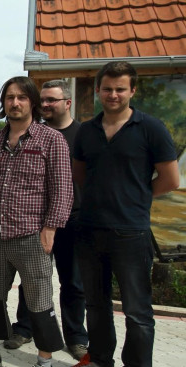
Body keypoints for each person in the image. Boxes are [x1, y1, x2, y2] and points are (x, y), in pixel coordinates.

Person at [72, 61, 179, 367]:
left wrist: (136, 195)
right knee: (96, 304)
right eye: (107, 89)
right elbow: (80, 174)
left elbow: (171, 180)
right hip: (90, 229)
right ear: (97, 91)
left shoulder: (151, 129)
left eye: (120, 89)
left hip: (131, 233)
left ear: (133, 90)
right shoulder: (87, 131)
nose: (113, 95)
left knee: (138, 312)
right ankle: (101, 359)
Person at [0, 76, 72, 367]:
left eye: (21, 97)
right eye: (9, 97)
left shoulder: (52, 139)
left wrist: (50, 228)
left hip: (31, 236)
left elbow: (63, 189)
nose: (15, 102)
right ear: (3, 103)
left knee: (39, 303)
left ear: (33, 103)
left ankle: (45, 359)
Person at [5, 79, 88, 361]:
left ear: (68, 102)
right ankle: (25, 328)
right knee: (31, 280)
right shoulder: (32, 132)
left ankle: (76, 336)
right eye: (44, 100)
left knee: (72, 282)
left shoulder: (83, 135)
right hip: (32, 223)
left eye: (52, 99)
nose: (46, 104)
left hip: (71, 221)